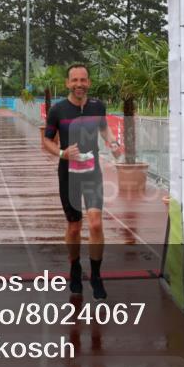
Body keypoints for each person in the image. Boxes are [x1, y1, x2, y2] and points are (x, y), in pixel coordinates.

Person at [41, 63, 122, 299]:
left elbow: (105, 129)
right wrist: (62, 153)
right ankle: (75, 267)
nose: (79, 84)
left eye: (83, 80)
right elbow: (45, 141)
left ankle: (96, 275)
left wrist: (113, 143)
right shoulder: (58, 110)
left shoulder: (98, 106)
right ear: (67, 83)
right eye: (74, 80)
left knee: (96, 223)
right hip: (68, 175)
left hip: (92, 172)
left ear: (89, 82)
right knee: (75, 227)